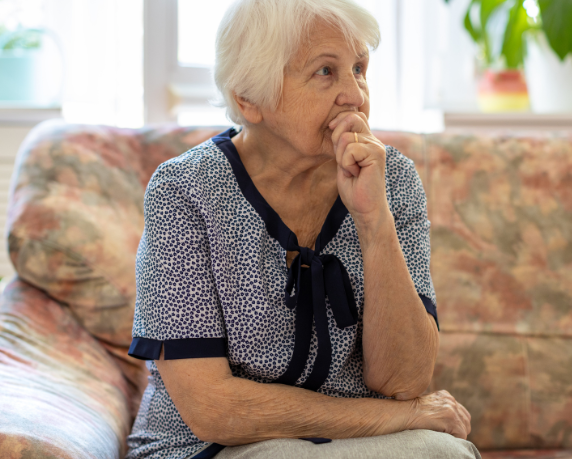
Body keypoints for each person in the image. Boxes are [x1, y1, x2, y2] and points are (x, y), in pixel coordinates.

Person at [126, 1, 478, 458]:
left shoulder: (393, 179)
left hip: (356, 445)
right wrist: (402, 418)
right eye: (325, 72)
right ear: (248, 99)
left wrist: (374, 223)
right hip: (209, 448)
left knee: (444, 454)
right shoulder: (185, 190)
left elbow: (404, 380)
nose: (355, 95)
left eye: (358, 68)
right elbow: (214, 409)